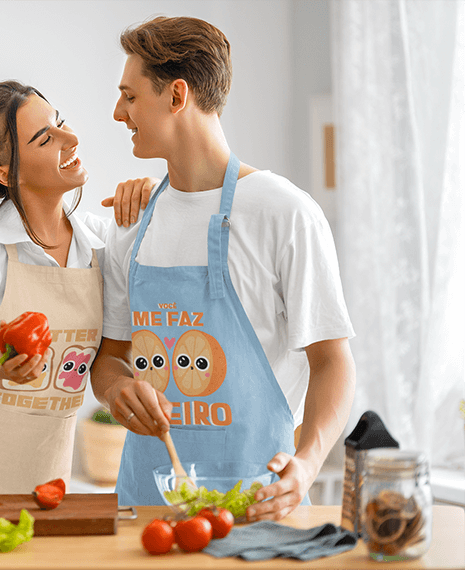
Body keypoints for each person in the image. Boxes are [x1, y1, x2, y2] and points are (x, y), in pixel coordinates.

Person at [91, 16, 356, 520]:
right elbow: (109, 359)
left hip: (258, 506)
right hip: (146, 514)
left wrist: (307, 463)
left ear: (176, 96)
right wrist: (117, 388)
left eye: (129, 96)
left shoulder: (286, 213)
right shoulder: (131, 221)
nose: (117, 112)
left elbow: (333, 360)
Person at [0, 80, 155, 494]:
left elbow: (119, 346)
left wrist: (149, 203)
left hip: (44, 493)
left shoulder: (101, 245)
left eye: (62, 123)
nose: (71, 139)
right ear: (5, 174)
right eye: (45, 138)